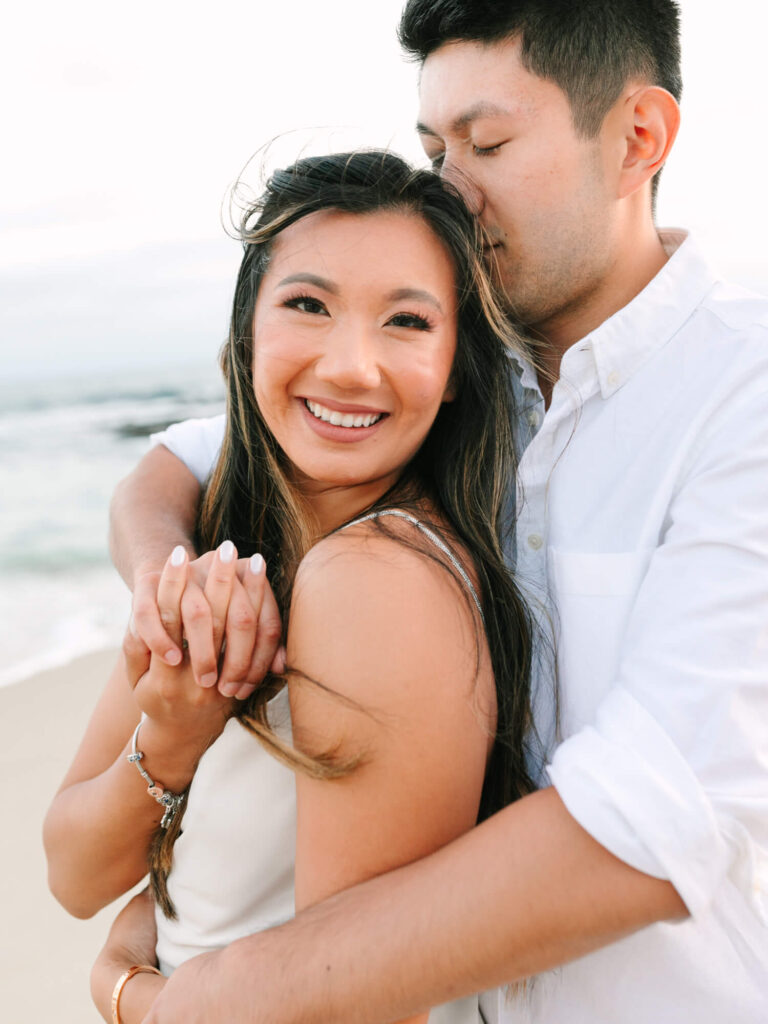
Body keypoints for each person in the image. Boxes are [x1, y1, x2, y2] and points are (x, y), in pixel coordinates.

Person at [106, 2, 768, 1022]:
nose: (447, 190)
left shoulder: (744, 396)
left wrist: (206, 997)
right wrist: (176, 589)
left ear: (639, 138)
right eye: (431, 146)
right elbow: (184, 459)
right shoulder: (459, 371)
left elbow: (651, 822)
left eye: (487, 144)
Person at [45, 150, 539, 1024]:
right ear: (246, 334)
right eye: (308, 304)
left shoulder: (378, 580)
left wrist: (132, 998)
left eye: (408, 321)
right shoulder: (227, 548)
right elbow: (74, 875)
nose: (351, 366)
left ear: (460, 365)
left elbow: (358, 1004)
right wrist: (173, 733)